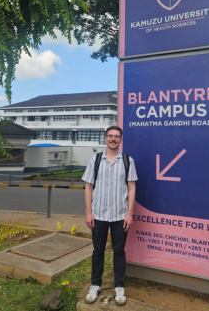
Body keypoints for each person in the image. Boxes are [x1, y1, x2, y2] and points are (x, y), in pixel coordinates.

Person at [82, 125, 138, 306]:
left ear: (121, 139)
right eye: (110, 136)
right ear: (105, 138)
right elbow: (89, 186)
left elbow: (131, 187)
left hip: (120, 215)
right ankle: (95, 284)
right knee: (97, 251)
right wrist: (88, 212)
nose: (113, 139)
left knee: (119, 252)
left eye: (116, 136)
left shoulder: (128, 161)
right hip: (98, 214)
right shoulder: (96, 160)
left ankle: (119, 286)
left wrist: (130, 214)